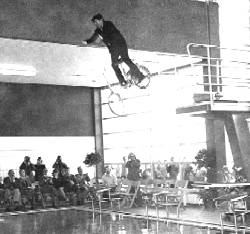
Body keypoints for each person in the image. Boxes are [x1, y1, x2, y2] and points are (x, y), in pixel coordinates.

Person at [82, 13, 145, 86]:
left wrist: (102, 38)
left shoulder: (108, 24)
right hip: (113, 48)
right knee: (117, 63)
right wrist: (87, 42)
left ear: (101, 20)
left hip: (120, 44)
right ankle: (123, 81)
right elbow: (93, 37)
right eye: (94, 23)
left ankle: (138, 76)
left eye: (96, 22)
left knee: (123, 60)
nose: (95, 24)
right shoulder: (98, 30)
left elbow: (110, 35)